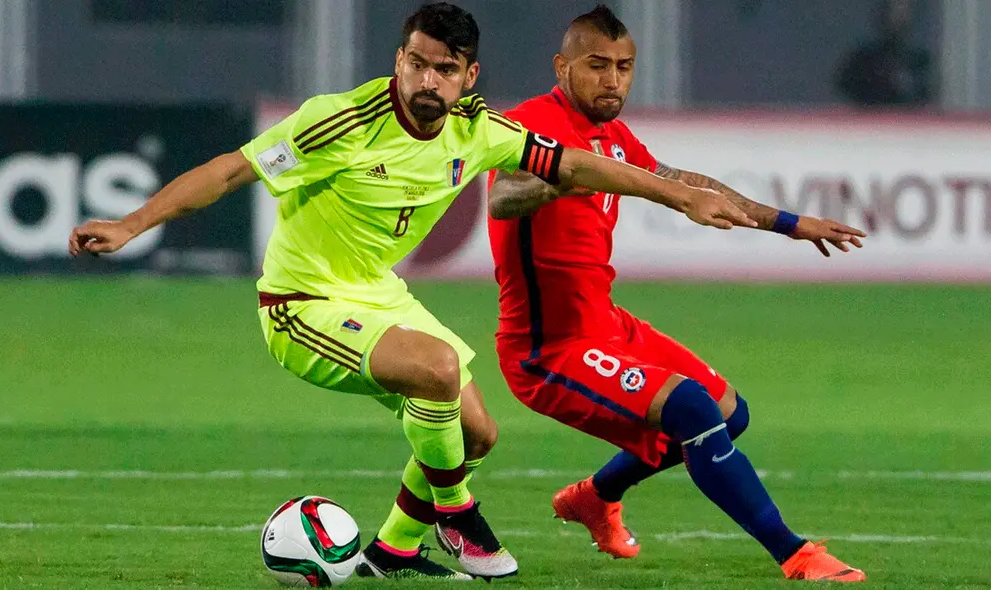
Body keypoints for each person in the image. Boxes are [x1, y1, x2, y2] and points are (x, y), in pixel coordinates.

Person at [68, 2, 753, 582]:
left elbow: (575, 164)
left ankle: (392, 552)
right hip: (300, 305)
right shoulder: (340, 122)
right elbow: (228, 172)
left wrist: (678, 195)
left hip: (377, 296)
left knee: (477, 433)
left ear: (468, 76)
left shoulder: (477, 130)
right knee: (438, 369)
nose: (428, 79)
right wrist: (132, 224)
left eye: (445, 69)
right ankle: (458, 517)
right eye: (417, 63)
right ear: (399, 59)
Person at [488, 5, 867, 582]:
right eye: (597, 65)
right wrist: (561, 179)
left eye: (624, 67)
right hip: (548, 349)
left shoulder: (615, 138)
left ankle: (596, 496)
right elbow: (501, 197)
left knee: (728, 413)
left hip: (605, 325)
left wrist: (790, 223)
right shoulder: (529, 125)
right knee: (689, 407)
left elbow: (684, 182)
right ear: (562, 67)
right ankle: (796, 554)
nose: (613, 80)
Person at [836, 0, 934, 107]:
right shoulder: (864, 58)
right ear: (883, 16)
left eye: (904, 13)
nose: (899, 19)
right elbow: (846, 85)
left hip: (910, 116)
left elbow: (928, 93)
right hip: (871, 115)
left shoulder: (921, 60)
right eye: (894, 12)